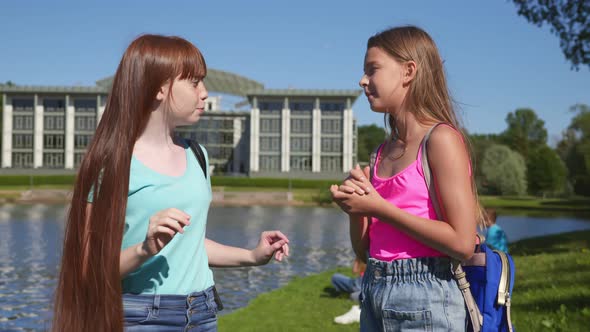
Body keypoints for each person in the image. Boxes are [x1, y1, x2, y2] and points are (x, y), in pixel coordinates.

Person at [52, 34, 290, 332]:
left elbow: (190, 246)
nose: (204, 93)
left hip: (203, 313)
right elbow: (88, 270)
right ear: (158, 88)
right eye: (194, 82)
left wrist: (252, 256)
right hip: (141, 318)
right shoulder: (111, 165)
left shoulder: (198, 156)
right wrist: (145, 249)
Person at [331, 26, 487, 331]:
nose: (362, 80)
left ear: (408, 72)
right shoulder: (380, 153)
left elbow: (463, 243)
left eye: (372, 69)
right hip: (374, 289)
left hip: (427, 297)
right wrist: (357, 210)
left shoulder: (441, 140)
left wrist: (379, 208)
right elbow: (364, 251)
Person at [332, 258, 365, 324]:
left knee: (335, 277)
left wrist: (357, 258)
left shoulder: (363, 255)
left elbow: (354, 270)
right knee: (353, 296)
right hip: (369, 286)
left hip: (357, 284)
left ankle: (345, 293)